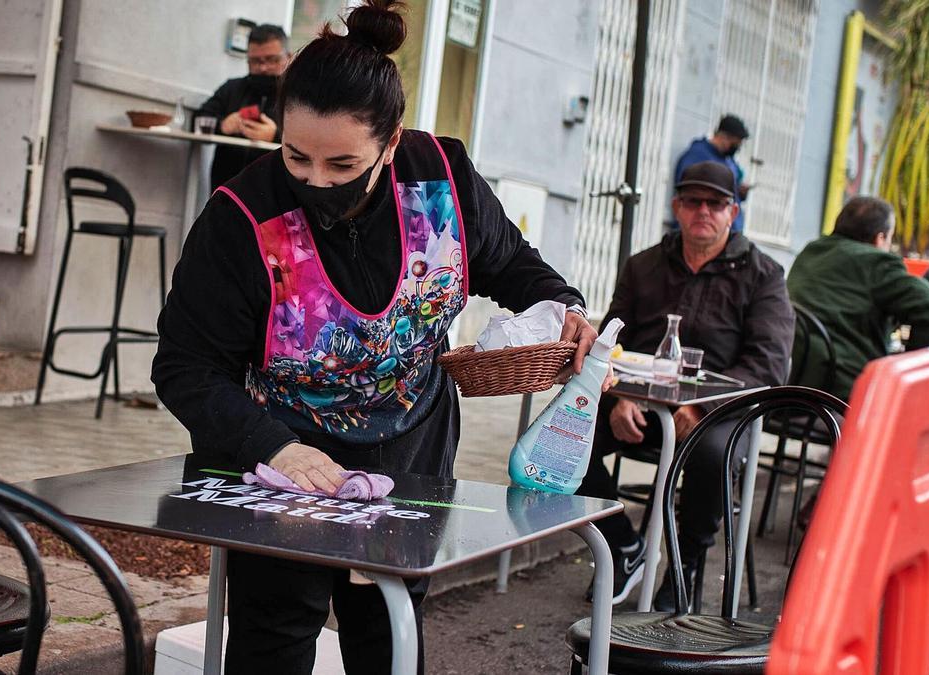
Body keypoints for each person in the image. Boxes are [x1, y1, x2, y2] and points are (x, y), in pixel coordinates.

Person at [151, 3, 601, 673]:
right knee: (272, 636)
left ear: (391, 143)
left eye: (342, 164)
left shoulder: (441, 183)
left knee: (386, 631)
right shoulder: (241, 219)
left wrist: (563, 308)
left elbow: (514, 266)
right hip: (281, 461)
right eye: (296, 157)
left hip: (410, 450)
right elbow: (185, 366)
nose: (316, 182)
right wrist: (273, 444)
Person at [577, 161, 794, 610]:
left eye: (715, 203)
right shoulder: (644, 266)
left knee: (712, 452)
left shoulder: (764, 276)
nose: (703, 211)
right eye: (692, 201)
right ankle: (623, 545)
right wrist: (618, 396)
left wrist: (701, 408)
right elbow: (611, 342)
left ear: (732, 212)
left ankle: (684, 565)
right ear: (677, 207)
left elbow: (768, 365)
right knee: (563, 435)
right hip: (639, 403)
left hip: (718, 411)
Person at [787, 196, 929, 401]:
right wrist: (912, 366)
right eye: (890, 239)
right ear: (880, 239)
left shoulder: (812, 251)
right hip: (842, 394)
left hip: (789, 387)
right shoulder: (876, 262)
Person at [198, 23, 291, 189]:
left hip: (276, 193)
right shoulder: (232, 88)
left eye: (272, 60)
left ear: (288, 57)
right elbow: (198, 120)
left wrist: (276, 136)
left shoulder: (299, 95)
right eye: (255, 61)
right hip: (227, 189)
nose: (263, 68)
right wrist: (223, 125)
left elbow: (316, 139)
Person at [671, 115, 751, 233]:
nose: (737, 149)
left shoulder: (728, 160)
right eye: (735, 144)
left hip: (727, 235)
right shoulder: (697, 157)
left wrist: (740, 191)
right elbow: (692, 194)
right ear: (724, 137)